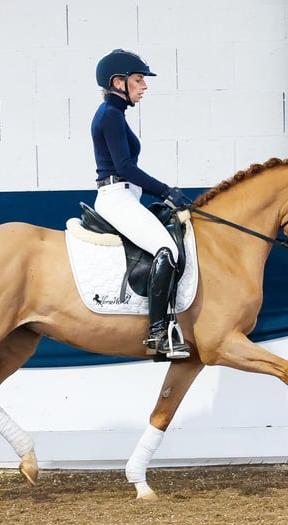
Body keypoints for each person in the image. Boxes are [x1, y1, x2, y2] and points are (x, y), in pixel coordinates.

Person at [91, 49, 192, 360]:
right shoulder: (109, 116)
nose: (144, 86)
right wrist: (165, 191)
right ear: (118, 82)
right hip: (116, 196)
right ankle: (159, 333)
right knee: (168, 250)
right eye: (138, 80)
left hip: (125, 195)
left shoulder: (115, 114)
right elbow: (125, 167)